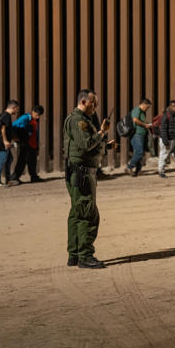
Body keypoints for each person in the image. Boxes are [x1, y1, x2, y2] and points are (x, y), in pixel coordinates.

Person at [62, 90, 110, 269]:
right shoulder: (78, 120)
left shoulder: (78, 120)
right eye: (93, 103)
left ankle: (74, 254)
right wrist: (101, 132)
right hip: (81, 174)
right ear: (84, 101)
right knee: (88, 214)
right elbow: (87, 144)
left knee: (77, 213)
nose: (95, 107)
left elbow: (85, 146)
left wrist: (105, 144)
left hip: (78, 172)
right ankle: (85, 256)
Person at [9, 105, 44, 183]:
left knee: (32, 161)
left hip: (33, 144)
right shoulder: (25, 118)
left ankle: (34, 177)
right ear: (33, 112)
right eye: (37, 115)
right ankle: (14, 177)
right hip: (26, 144)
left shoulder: (34, 120)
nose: (38, 117)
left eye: (39, 116)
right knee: (22, 160)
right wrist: (15, 138)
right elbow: (14, 125)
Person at [0, 100, 20, 188]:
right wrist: (5, 141)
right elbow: (2, 128)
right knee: (1, 161)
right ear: (13, 108)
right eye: (17, 109)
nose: (17, 111)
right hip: (2, 142)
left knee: (9, 159)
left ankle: (8, 180)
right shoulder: (6, 116)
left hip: (4, 141)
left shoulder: (4, 115)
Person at [126, 98, 153, 176]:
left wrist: (146, 124)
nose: (147, 109)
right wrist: (145, 125)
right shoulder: (137, 110)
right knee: (139, 152)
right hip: (136, 134)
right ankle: (129, 167)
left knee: (138, 153)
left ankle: (138, 170)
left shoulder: (141, 112)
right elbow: (135, 120)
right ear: (143, 104)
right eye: (147, 107)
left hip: (140, 135)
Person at [157, 100, 175, 178]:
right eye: (173, 106)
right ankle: (161, 171)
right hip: (167, 139)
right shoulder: (166, 116)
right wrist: (166, 142)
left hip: (174, 139)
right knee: (164, 155)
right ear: (170, 107)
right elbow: (163, 130)